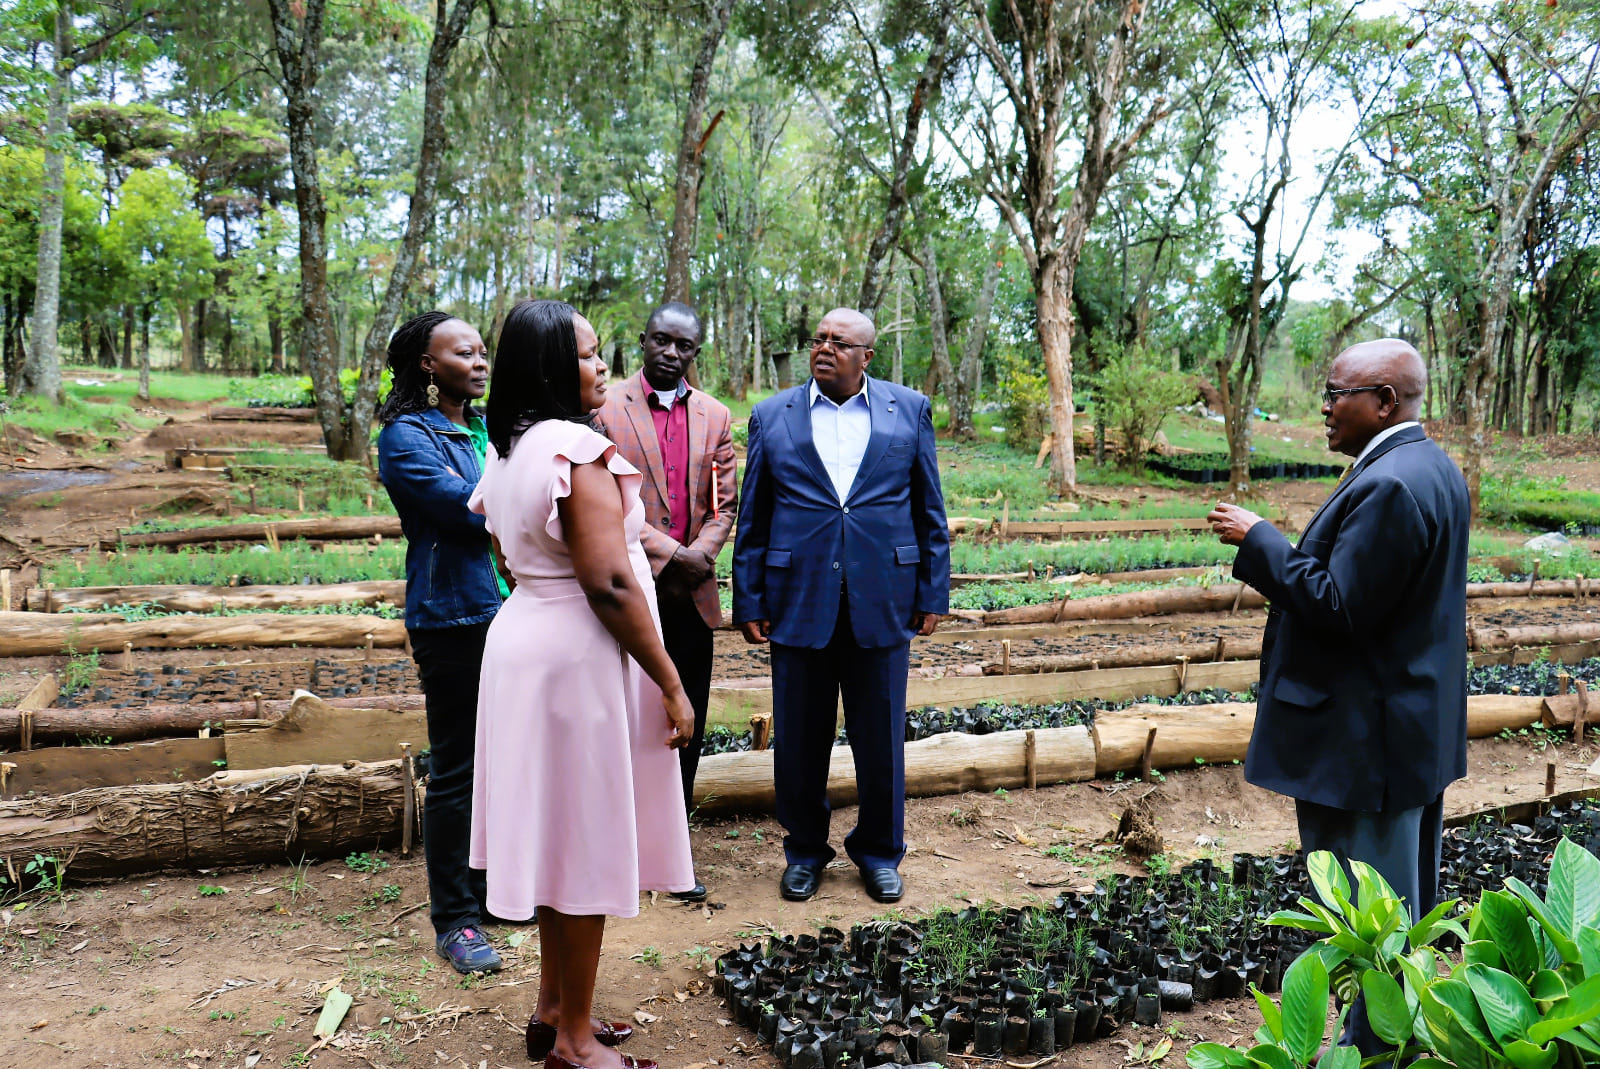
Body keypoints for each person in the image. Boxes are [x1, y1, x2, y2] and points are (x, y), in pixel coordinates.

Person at [1207, 338, 1468, 1059]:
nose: (1323, 407)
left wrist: (1261, 540)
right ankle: (1388, 1040)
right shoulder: (1429, 467)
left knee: (1371, 910)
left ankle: (1377, 1048)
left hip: (1365, 742)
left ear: (1383, 400)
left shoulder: (1391, 485)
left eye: (1335, 393)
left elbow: (1338, 604)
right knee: (1398, 903)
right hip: (1406, 727)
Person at [469, 298, 695, 1069]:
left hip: (527, 647)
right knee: (588, 841)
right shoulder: (577, 451)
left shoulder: (507, 449)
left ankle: (553, 1010)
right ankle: (574, 1044)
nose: (603, 367)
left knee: (555, 836)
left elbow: (506, 556)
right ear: (551, 368)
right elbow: (609, 583)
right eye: (591, 354)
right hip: (579, 661)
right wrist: (669, 681)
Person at [732, 307, 950, 905]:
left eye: (840, 342)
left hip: (884, 599)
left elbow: (929, 509)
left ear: (867, 357)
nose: (825, 348)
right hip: (798, 599)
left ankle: (879, 852)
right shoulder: (772, 415)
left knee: (881, 741)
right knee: (800, 742)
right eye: (819, 340)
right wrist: (748, 595)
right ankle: (804, 852)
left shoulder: (908, 410)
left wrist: (932, 591)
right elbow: (755, 517)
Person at [592, 301, 737, 903]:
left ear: (696, 352)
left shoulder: (717, 415)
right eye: (661, 341)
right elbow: (608, 500)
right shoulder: (605, 410)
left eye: (684, 346)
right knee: (622, 716)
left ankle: (672, 853)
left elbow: (725, 502)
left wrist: (700, 554)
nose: (671, 353)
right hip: (630, 587)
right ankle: (614, 850)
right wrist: (673, 552)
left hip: (691, 594)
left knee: (685, 720)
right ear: (643, 341)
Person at [376, 311, 506, 975]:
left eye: (483, 350)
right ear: (428, 363)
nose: (480, 361)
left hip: (511, 614)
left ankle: (490, 889)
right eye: (465, 352)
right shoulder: (405, 437)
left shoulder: (484, 427)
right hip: (453, 617)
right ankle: (454, 918)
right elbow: (467, 508)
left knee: (503, 761)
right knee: (457, 769)